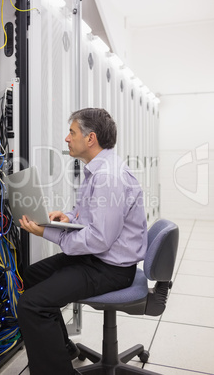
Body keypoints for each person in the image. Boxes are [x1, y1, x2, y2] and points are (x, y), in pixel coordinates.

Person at [18, 108, 148, 375]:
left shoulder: (108, 177)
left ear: (91, 139)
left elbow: (99, 239)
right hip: (97, 257)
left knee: (32, 304)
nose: (67, 138)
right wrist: (65, 217)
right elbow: (88, 216)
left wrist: (47, 232)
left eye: (72, 132)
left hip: (110, 268)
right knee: (32, 276)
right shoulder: (97, 170)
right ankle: (62, 348)